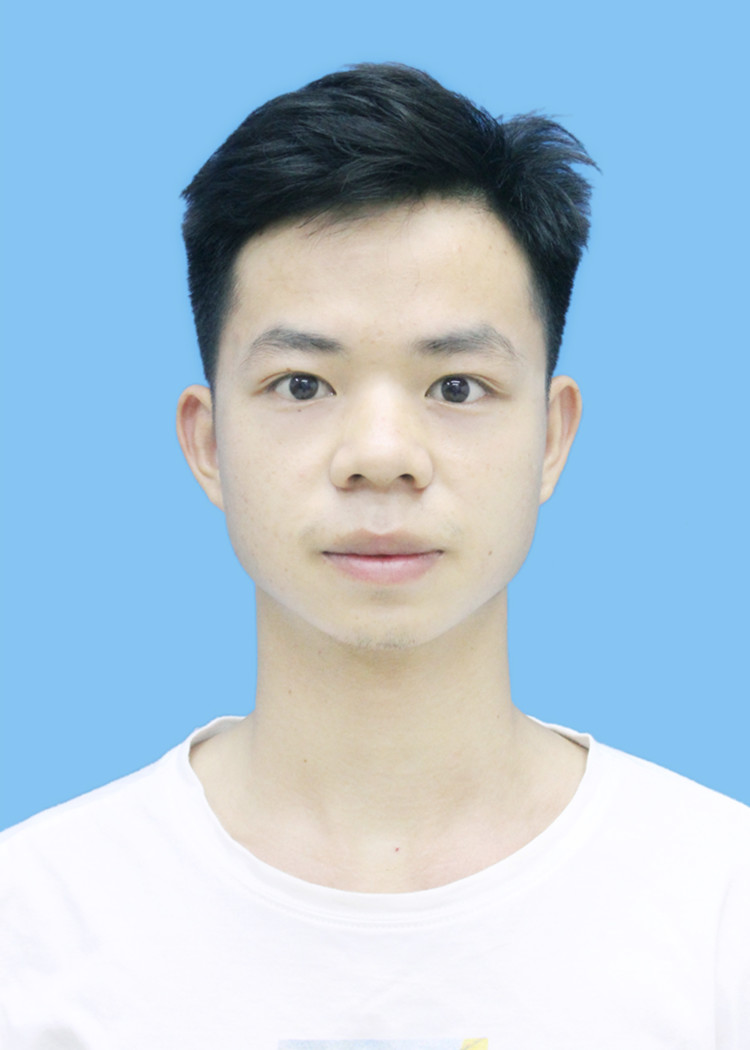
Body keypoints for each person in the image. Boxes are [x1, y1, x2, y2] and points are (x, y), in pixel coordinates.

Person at [1, 63, 748, 1049]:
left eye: (457, 386)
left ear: (552, 437)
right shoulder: (35, 925)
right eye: (303, 385)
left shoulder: (720, 907)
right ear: (208, 442)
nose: (382, 457)